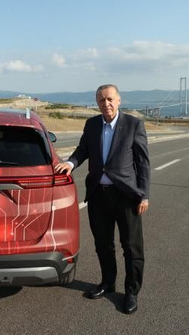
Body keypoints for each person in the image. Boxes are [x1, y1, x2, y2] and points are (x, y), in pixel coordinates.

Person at [54, 84, 150, 315]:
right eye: (101, 100)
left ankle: (131, 291)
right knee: (103, 244)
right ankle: (108, 283)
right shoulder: (92, 124)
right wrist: (70, 163)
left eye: (109, 99)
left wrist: (144, 195)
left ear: (118, 100)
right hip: (98, 195)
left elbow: (143, 163)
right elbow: (83, 150)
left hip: (126, 195)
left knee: (131, 247)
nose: (105, 104)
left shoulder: (133, 125)